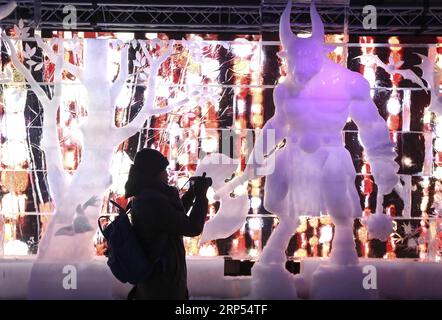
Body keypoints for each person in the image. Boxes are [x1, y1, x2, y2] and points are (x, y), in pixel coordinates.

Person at [124, 148, 210, 300]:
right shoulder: (153, 202)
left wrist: (191, 194)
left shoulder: (146, 196)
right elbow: (192, 227)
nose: (167, 173)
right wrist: (202, 196)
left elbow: (173, 220)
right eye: (163, 169)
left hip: (157, 281)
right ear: (154, 173)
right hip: (162, 285)